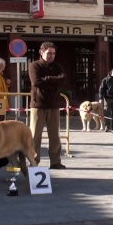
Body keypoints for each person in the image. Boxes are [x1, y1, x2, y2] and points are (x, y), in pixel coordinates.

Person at [28, 41, 67, 169]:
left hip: (54, 104)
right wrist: (53, 81)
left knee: (55, 136)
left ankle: (55, 161)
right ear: (41, 52)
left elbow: (63, 80)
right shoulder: (34, 66)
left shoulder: (58, 66)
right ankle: (34, 161)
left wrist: (48, 79)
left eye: (53, 53)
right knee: (35, 136)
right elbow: (37, 81)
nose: (51, 56)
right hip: (38, 104)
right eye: (49, 53)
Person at [99, 67, 113, 132]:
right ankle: (107, 126)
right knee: (106, 112)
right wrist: (100, 98)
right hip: (107, 98)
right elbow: (101, 89)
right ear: (112, 72)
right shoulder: (105, 80)